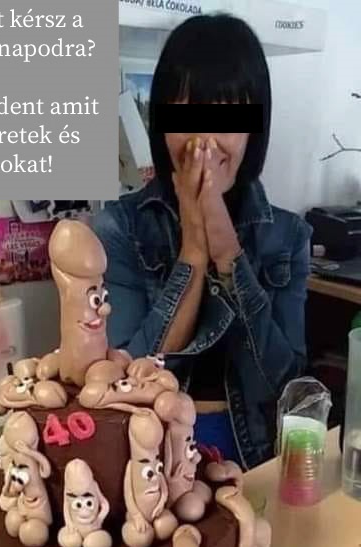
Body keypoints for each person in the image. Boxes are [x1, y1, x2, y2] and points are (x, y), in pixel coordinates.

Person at [93, 13, 312, 469]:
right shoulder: (118, 227)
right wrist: (193, 247)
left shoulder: (289, 235)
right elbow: (127, 380)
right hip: (148, 457)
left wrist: (227, 250)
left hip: (256, 455)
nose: (204, 142)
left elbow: (284, 386)